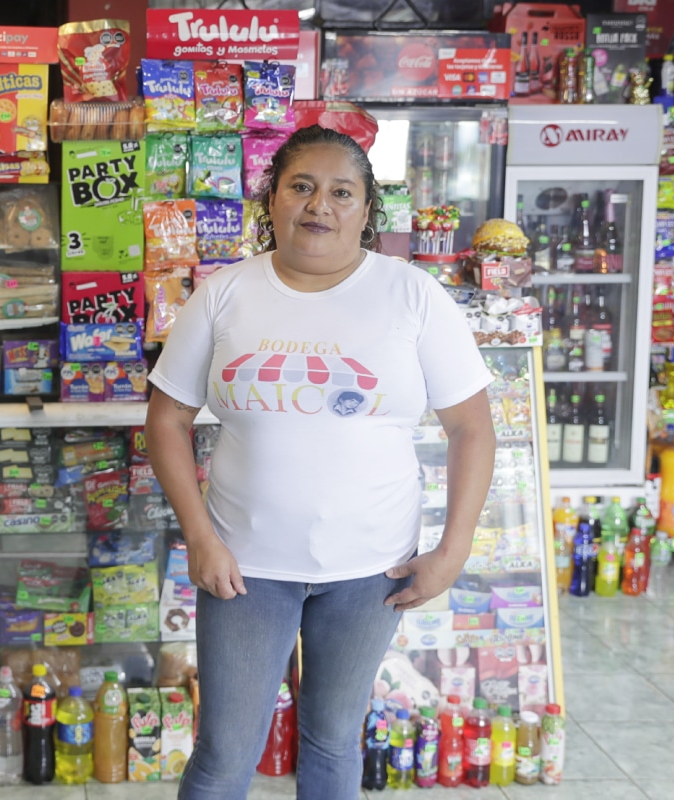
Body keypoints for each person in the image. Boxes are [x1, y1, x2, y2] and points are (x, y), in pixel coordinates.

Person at [145, 125, 497, 800]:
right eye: (301, 186)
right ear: (271, 198)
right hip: (244, 567)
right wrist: (198, 535)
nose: (319, 205)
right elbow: (167, 416)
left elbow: (471, 429)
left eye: (342, 192)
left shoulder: (414, 295)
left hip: (373, 569)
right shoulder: (224, 293)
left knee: (334, 740)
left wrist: (453, 551)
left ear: (367, 213)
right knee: (224, 751)